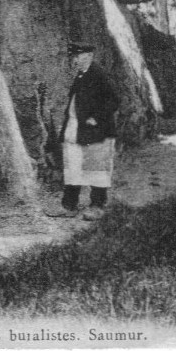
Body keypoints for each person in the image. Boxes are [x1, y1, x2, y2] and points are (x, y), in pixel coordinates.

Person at [45, 42, 120, 221]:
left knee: (97, 168)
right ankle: (69, 205)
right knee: (73, 167)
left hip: (96, 132)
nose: (74, 60)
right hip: (76, 129)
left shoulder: (99, 74)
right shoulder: (81, 76)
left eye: (78, 56)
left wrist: (97, 117)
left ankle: (97, 205)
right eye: (74, 56)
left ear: (89, 56)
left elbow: (114, 100)